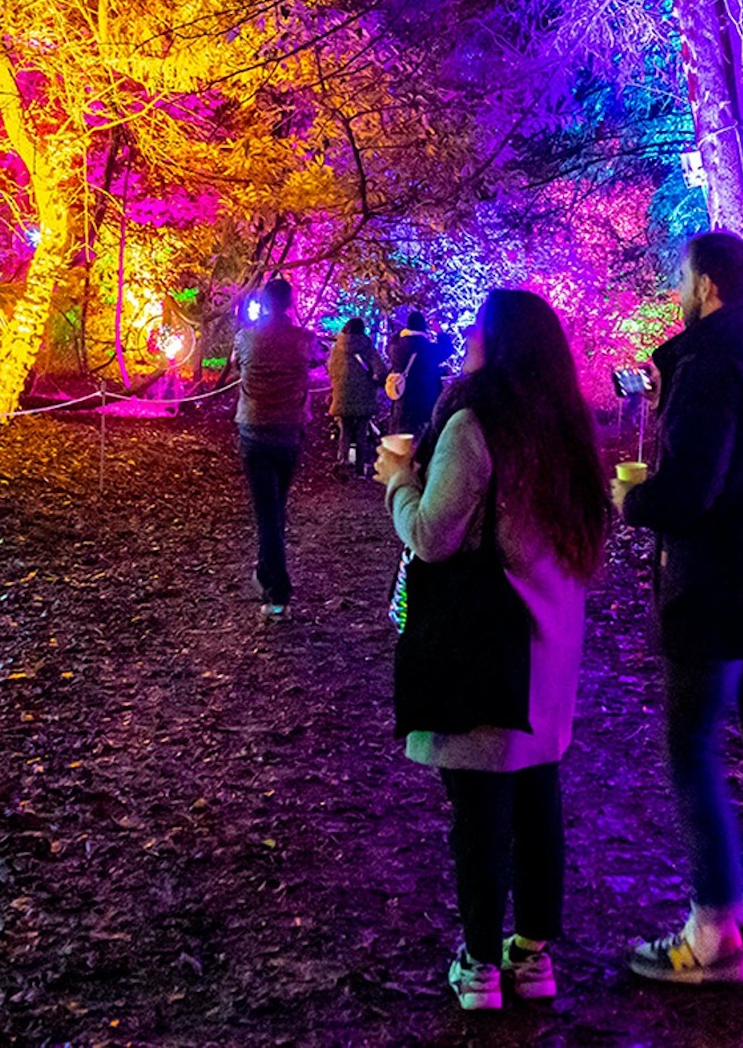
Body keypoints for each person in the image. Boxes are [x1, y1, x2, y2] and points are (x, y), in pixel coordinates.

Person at [375, 289, 609, 1011]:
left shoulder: (476, 425)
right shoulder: (568, 427)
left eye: (478, 328)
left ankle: (478, 965)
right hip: (552, 637)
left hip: (487, 643)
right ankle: (534, 956)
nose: (467, 338)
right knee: (540, 797)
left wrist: (397, 486)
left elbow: (433, 535)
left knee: (479, 811)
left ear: (496, 343)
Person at [612, 232, 743, 986]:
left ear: (705, 285)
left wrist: (635, 499)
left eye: (681, 280)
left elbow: (693, 488)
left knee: (693, 746)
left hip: (716, 583)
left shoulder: (709, 365)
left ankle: (712, 930)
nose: (677, 291)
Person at [230, 276, 318, 619]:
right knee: (275, 507)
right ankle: (270, 577)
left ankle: (276, 588)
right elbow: (317, 361)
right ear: (291, 303)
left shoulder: (246, 338)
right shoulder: (303, 340)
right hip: (289, 430)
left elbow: (238, 365)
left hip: (253, 429)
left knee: (269, 511)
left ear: (263, 303)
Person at [327, 317, 383, 476]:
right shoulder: (367, 348)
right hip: (364, 396)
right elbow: (380, 370)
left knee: (344, 431)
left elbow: (330, 368)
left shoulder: (337, 348)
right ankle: (360, 468)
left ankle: (343, 462)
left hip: (342, 395)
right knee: (361, 432)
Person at [386, 310, 443, 439]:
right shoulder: (429, 349)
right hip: (425, 400)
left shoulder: (395, 346)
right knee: (421, 441)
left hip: (402, 398)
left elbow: (389, 345)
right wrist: (439, 332)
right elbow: (446, 349)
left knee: (401, 441)